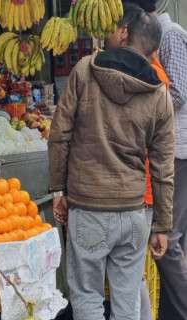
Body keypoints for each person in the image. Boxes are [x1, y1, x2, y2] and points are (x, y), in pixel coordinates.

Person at [48, 10, 174, 320]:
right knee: (127, 303)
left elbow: (59, 132)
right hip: (132, 212)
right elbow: (162, 167)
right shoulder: (159, 95)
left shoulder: (84, 70)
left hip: (87, 207)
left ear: (124, 34)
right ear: (154, 52)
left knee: (87, 298)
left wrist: (58, 189)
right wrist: (161, 225)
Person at [104, 3, 169, 319]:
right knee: (131, 277)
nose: (108, 36)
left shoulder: (124, 74)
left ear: (125, 32)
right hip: (139, 194)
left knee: (127, 280)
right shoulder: (155, 77)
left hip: (131, 195)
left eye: (113, 29)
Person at [132, 1, 187, 318]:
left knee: (168, 240)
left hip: (177, 151)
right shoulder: (162, 34)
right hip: (171, 149)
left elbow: (178, 92)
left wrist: (141, 92)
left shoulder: (169, 34)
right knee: (174, 240)